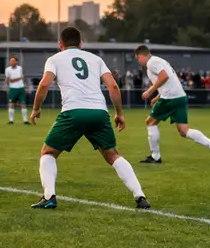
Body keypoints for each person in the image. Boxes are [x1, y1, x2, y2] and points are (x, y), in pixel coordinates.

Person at [29, 26, 150, 210]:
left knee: (48, 153)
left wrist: (36, 108)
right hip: (99, 113)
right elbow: (114, 87)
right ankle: (140, 196)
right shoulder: (96, 59)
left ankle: (49, 196)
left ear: (60, 44)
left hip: (73, 112)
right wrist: (119, 114)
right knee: (113, 155)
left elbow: (44, 84)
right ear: (81, 43)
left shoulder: (54, 59)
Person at [133, 45, 210, 165]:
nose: (138, 62)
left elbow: (164, 76)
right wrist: (157, 96)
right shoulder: (160, 61)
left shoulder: (151, 62)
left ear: (141, 56)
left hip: (170, 98)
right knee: (184, 131)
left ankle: (155, 156)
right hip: (179, 97)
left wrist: (150, 91)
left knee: (150, 122)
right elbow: (172, 81)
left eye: (137, 59)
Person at [4, 55, 30, 125]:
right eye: (11, 61)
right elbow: (10, 80)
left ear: (16, 62)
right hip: (13, 89)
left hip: (21, 88)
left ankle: (25, 121)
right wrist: (18, 79)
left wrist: (25, 86)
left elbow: (22, 78)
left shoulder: (20, 68)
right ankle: (11, 120)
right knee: (11, 104)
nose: (12, 62)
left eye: (13, 61)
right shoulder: (7, 70)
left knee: (23, 104)